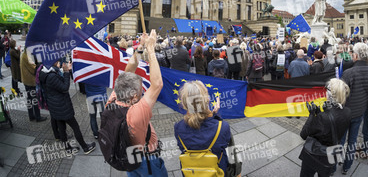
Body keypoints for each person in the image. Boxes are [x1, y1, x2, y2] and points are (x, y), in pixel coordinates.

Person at [105, 31, 166, 176]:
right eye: (140, 91)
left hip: (128, 156)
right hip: (147, 160)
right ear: (133, 96)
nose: (142, 94)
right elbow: (157, 84)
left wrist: (141, 47)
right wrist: (150, 48)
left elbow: (128, 71)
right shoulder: (136, 114)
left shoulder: (113, 99)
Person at [340, 42, 368, 174]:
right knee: (352, 141)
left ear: (356, 56)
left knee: (340, 141)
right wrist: (366, 100)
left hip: (345, 113)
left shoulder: (348, 73)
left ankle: (332, 168)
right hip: (359, 112)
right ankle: (347, 167)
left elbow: (340, 95)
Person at [174, 81, 231, 175]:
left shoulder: (178, 128)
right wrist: (215, 115)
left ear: (184, 104)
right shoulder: (222, 126)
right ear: (207, 100)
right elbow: (224, 144)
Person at [40, 60, 96, 155]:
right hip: (61, 106)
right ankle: (85, 147)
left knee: (62, 128)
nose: (58, 62)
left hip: (55, 105)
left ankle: (67, 148)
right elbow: (64, 88)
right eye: (56, 61)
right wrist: (66, 72)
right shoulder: (51, 76)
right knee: (75, 126)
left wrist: (66, 70)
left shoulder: (45, 72)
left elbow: (57, 81)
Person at [299, 78, 352, 177]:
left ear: (331, 94)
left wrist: (312, 115)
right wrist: (322, 112)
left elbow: (303, 134)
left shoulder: (323, 117)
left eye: (327, 90)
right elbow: (331, 127)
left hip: (315, 154)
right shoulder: (348, 112)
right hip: (330, 155)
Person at [20, 49, 47, 122]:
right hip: (30, 81)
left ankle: (31, 115)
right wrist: (40, 65)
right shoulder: (27, 56)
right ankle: (38, 117)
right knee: (34, 99)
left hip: (27, 80)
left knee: (29, 99)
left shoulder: (25, 54)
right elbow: (34, 69)